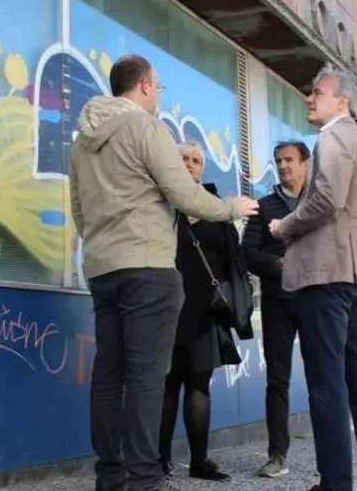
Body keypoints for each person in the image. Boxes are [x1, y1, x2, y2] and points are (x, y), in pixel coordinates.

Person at [69, 55, 259, 491]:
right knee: (147, 378)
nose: (157, 94)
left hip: (103, 270)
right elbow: (184, 194)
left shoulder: (83, 142)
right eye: (157, 86)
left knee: (108, 375)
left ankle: (110, 476)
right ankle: (144, 478)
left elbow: (79, 209)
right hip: (149, 270)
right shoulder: (147, 128)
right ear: (145, 86)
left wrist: (102, 245)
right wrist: (231, 207)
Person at [268, 65, 357, 491]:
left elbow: (326, 200)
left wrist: (285, 226)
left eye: (317, 92)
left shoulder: (334, 136)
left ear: (342, 102)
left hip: (329, 278)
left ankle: (336, 482)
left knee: (326, 385)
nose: (309, 97)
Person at [158, 141, 250, 483]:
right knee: (167, 386)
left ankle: (199, 461)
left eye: (196, 160)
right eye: (183, 158)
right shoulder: (163, 204)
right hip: (168, 309)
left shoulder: (216, 207)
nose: (190, 164)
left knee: (199, 385)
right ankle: (159, 460)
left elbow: (234, 258)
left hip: (206, 311)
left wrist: (231, 296)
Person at [241, 140, 310, 479]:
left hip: (315, 300)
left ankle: (332, 456)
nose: (283, 166)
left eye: (289, 160)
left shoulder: (318, 201)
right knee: (277, 380)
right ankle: (277, 455)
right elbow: (247, 253)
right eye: (278, 160)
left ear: (305, 163)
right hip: (277, 300)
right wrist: (278, 264)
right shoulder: (263, 206)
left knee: (323, 376)